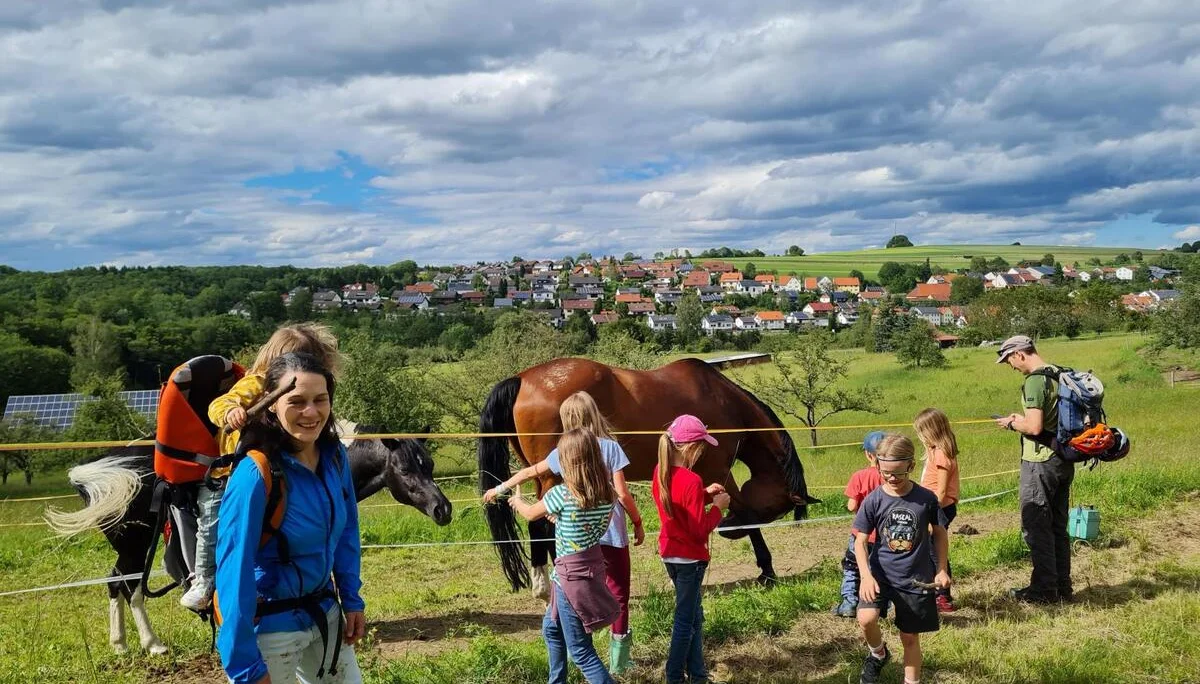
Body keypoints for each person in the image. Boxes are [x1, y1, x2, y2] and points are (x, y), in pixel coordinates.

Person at [215, 351, 365, 684]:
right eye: (296, 401)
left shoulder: (335, 457)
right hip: (271, 629)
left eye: (320, 399)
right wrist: (244, 666)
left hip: (325, 613)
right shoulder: (256, 474)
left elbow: (346, 533)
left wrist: (352, 599)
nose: (311, 412)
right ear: (271, 404)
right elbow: (232, 571)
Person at [181, 322, 341, 611]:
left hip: (270, 464)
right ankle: (204, 581)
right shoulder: (257, 382)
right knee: (216, 524)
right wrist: (231, 411)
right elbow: (219, 405)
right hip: (232, 472)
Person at [482, 391, 645, 674]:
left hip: (571, 556)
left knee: (578, 626)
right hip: (601, 535)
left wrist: (502, 490)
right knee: (616, 593)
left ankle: (582, 657)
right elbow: (621, 494)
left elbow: (530, 478)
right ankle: (619, 659)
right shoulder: (609, 453)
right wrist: (637, 521)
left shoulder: (564, 458)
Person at [509, 428, 619, 684]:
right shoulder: (607, 494)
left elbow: (529, 513)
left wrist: (517, 500)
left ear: (567, 461)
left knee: (582, 652)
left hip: (569, 580)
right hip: (584, 572)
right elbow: (596, 529)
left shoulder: (560, 494)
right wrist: (562, 519)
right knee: (551, 629)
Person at [853, 434, 949, 684]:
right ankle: (878, 653)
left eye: (898, 473)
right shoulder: (874, 499)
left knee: (909, 638)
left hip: (915, 580)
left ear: (911, 466)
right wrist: (865, 576)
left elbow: (940, 534)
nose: (892, 479)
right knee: (866, 618)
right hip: (879, 576)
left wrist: (941, 569)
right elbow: (860, 541)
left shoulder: (926, 499)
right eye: (886, 473)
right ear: (877, 466)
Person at [994, 335, 1074, 604]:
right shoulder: (1058, 374)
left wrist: (1011, 422)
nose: (1011, 366)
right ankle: (1062, 586)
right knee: (1058, 527)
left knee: (1036, 525)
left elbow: (1035, 427)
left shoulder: (1035, 381)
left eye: (1009, 360)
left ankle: (1043, 591)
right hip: (1063, 458)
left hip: (1040, 461)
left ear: (1019, 354)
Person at [652, 415, 731, 684]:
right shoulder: (691, 479)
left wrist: (706, 495)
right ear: (691, 448)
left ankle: (698, 675)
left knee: (695, 616)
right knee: (685, 622)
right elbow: (699, 529)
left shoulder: (660, 472)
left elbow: (680, 504)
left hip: (671, 554)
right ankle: (675, 676)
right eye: (702, 447)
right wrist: (718, 508)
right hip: (690, 560)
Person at [833, 431, 886, 618]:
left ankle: (849, 603)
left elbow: (851, 506)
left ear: (868, 454)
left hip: (861, 534)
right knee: (881, 569)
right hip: (884, 535)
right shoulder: (889, 477)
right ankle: (881, 603)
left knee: (851, 566)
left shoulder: (859, 476)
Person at [913, 408, 961, 613]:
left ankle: (942, 597)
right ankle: (937, 593)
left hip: (939, 509)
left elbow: (940, 491)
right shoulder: (935, 452)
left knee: (935, 552)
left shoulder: (941, 454)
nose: (920, 437)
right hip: (934, 507)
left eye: (922, 432)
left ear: (931, 431)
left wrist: (931, 514)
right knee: (931, 550)